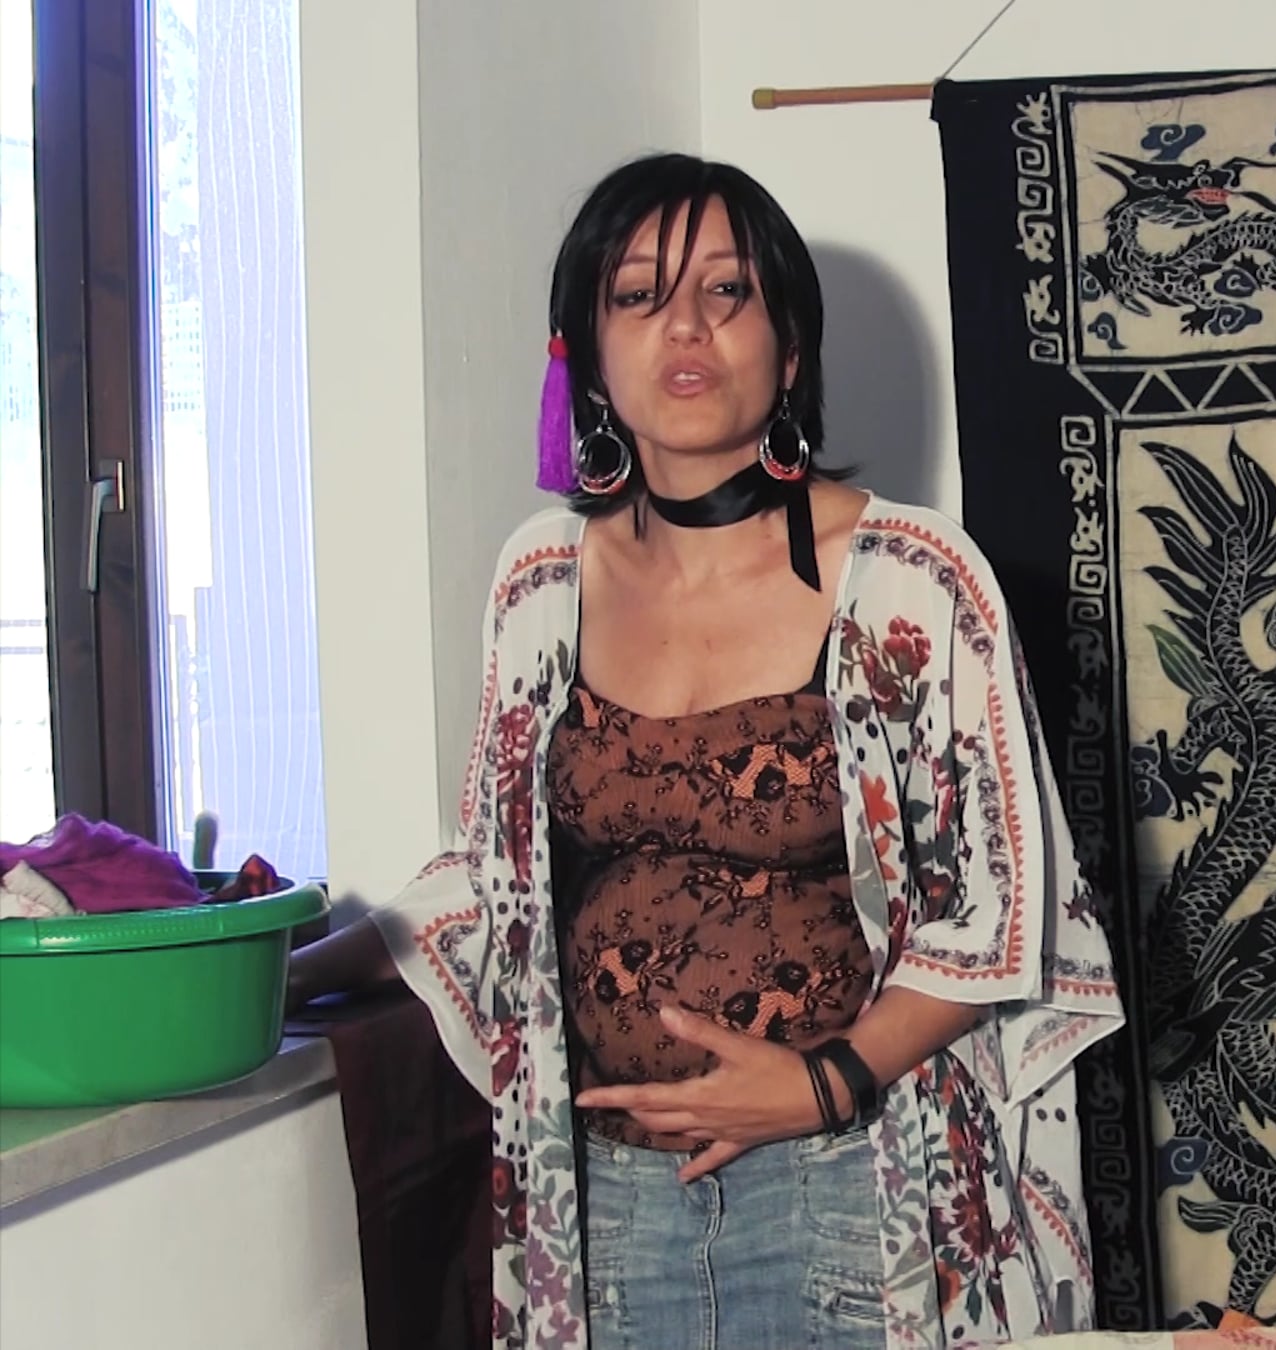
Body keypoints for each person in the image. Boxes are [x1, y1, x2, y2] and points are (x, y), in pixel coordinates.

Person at [286, 152, 1123, 1350]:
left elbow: (997, 911)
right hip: (606, 1200)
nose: (684, 324)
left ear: (791, 350)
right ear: (586, 352)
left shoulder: (912, 580)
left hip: (856, 1182)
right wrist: (286, 972)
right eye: (637, 294)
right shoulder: (540, 582)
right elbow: (492, 875)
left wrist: (823, 1082)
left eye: (727, 291)